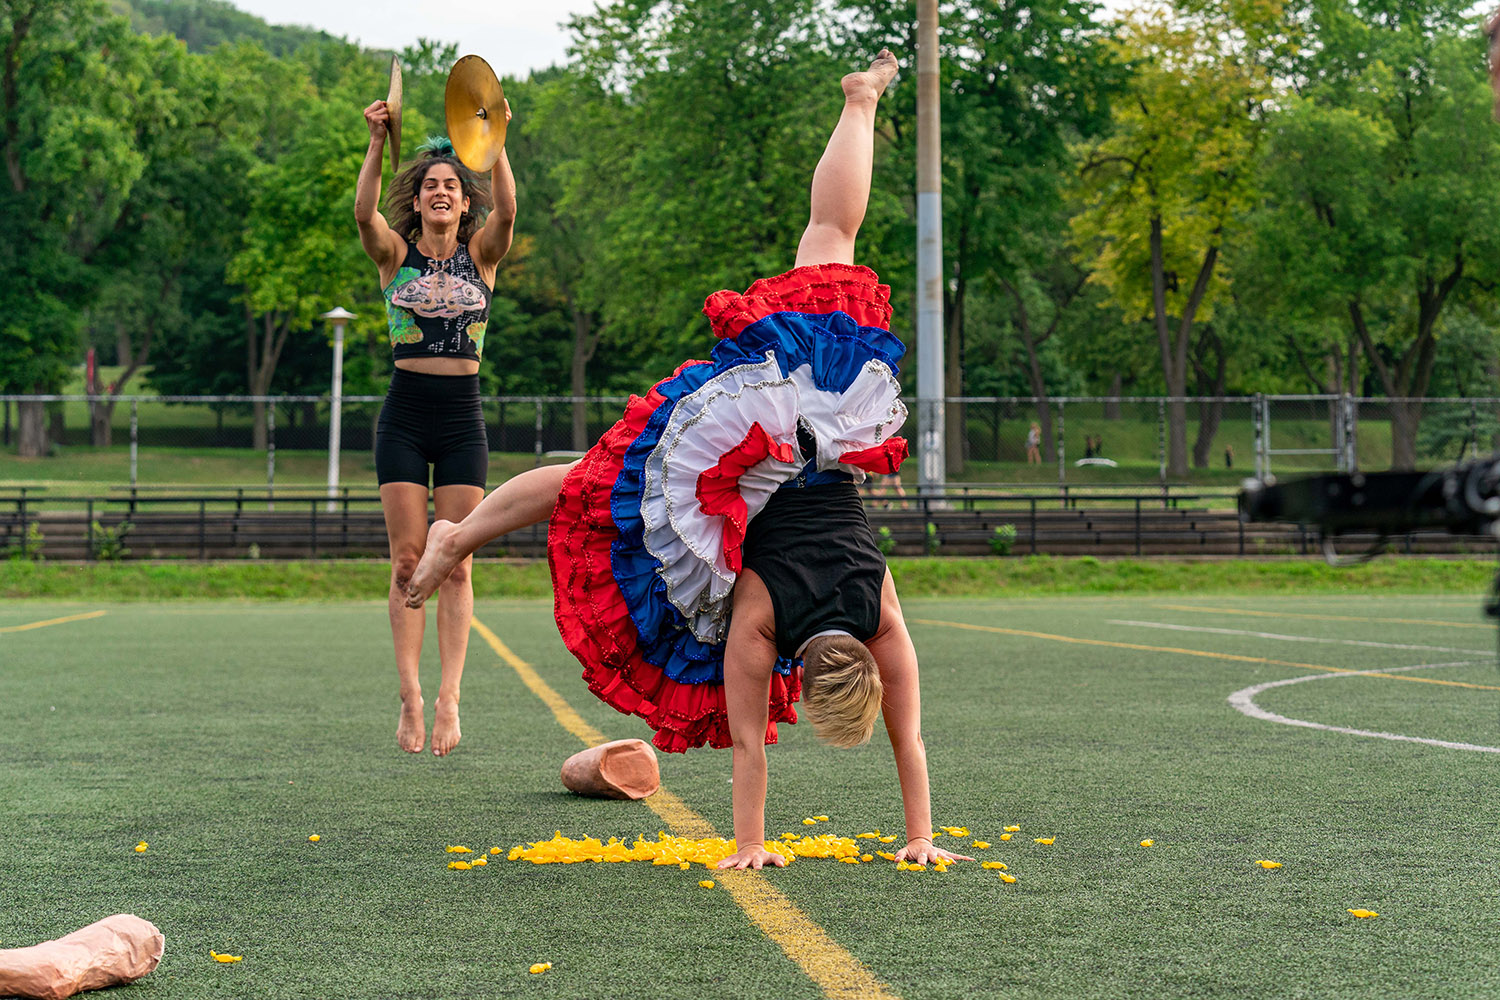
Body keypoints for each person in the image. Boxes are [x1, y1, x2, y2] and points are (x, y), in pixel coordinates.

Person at [404, 51, 967, 870]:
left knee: (831, 239)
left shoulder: (881, 614)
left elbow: (907, 739)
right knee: (591, 488)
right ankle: (457, 540)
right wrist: (756, 846)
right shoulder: (761, 623)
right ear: (806, 690)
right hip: (751, 460)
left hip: (812, 419)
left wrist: (922, 834)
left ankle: (860, 101)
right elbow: (754, 751)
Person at [355, 92, 517, 756]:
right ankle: (410, 696)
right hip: (405, 414)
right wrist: (374, 142)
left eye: (452, 184)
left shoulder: (484, 255)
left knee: (455, 563)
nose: (442, 191)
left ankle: (450, 696)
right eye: (430, 186)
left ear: (464, 201)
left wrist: (494, 139)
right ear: (417, 201)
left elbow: (509, 208)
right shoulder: (395, 255)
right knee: (405, 561)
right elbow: (363, 212)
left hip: (461, 419)